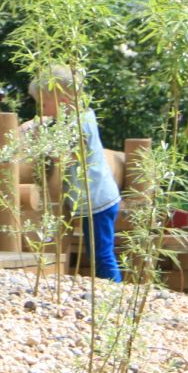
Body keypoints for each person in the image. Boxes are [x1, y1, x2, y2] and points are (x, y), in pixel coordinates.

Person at [29, 66, 123, 282]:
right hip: (93, 199)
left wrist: (46, 151)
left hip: (98, 199)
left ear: (62, 99)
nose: (41, 109)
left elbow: (71, 156)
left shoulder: (80, 123)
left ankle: (115, 291)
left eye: (44, 103)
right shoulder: (77, 117)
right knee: (96, 251)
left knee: (101, 253)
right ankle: (109, 289)